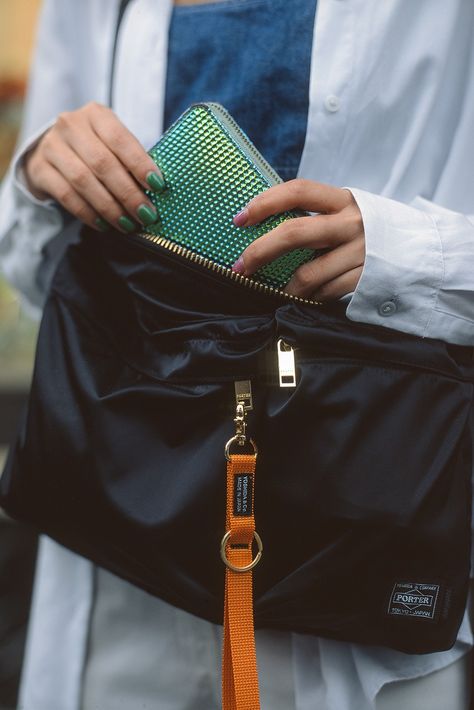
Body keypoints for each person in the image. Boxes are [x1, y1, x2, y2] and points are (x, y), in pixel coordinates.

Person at [1, 0, 473, 708]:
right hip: (118, 545)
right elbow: (41, 279)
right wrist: (41, 175)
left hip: (353, 560)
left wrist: (409, 255)